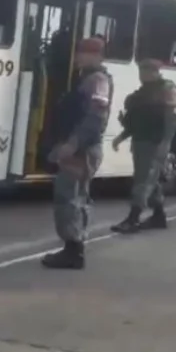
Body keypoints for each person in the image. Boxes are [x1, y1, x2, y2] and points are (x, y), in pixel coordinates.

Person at [41, 37, 114, 270]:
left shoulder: (98, 81)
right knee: (73, 196)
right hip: (80, 147)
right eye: (79, 52)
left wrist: (71, 144)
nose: (79, 57)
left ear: (97, 56)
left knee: (70, 197)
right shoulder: (86, 79)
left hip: (82, 149)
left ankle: (73, 251)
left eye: (84, 53)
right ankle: (73, 248)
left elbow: (94, 119)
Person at [111, 58, 176, 234]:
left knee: (143, 181)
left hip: (155, 142)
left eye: (147, 71)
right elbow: (137, 121)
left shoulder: (166, 89)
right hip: (141, 141)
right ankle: (159, 216)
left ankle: (133, 218)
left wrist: (164, 143)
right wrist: (121, 136)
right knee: (152, 180)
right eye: (141, 71)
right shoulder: (142, 93)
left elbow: (171, 119)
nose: (143, 75)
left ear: (156, 72)